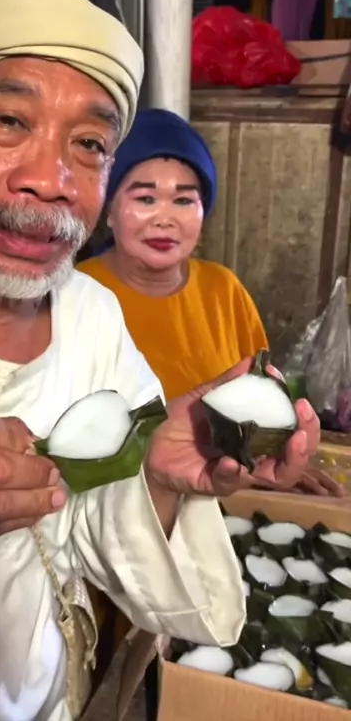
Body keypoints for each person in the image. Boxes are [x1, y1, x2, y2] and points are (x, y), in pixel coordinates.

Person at [0, 0, 319, 721]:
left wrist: (159, 480)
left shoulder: (91, 312)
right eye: (9, 121)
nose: (51, 182)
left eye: (89, 145)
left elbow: (94, 537)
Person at [78, 107, 342, 664]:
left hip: (218, 519)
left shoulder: (224, 291)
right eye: (144, 197)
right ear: (109, 209)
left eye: (185, 199)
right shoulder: (78, 296)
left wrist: (276, 464)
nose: (165, 218)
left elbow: (258, 398)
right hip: (113, 540)